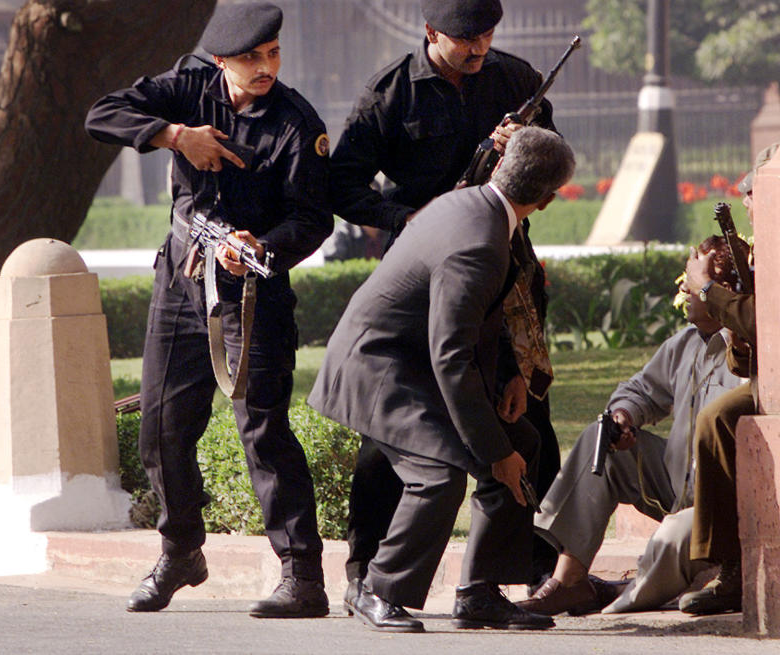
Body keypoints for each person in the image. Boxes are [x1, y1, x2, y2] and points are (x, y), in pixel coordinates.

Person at [84, 2, 333, 618]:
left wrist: (262, 247)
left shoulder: (297, 123)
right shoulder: (189, 88)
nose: (265, 67)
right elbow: (101, 115)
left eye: (273, 53)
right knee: (162, 428)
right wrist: (175, 136)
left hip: (253, 295)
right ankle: (181, 552)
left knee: (263, 431)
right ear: (222, 61)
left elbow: (313, 218)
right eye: (252, 58)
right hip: (181, 283)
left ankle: (302, 576)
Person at [328, 0, 562, 607]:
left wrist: (525, 146)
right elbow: (342, 185)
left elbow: (551, 159)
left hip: (503, 256)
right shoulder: (390, 95)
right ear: (431, 33)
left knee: (526, 406)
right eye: (466, 39)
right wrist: (413, 218)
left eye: (487, 35)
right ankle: (365, 568)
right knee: (396, 430)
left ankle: (538, 567)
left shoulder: (515, 79)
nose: (479, 48)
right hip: (421, 262)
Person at [309, 126, 574, 632]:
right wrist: (493, 453)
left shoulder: (477, 206)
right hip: (377, 369)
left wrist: (511, 375)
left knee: (524, 442)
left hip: (413, 363)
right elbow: (451, 356)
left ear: (501, 167)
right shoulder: (478, 241)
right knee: (439, 473)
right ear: (546, 199)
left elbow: (475, 314)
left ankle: (480, 592)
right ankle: (377, 589)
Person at [516, 236, 747, 616]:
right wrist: (622, 417)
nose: (684, 287)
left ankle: (630, 596)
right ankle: (569, 581)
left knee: (671, 541)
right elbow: (640, 391)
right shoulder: (684, 344)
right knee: (599, 436)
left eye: (694, 279)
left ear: (723, 291)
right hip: (675, 488)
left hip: (718, 509)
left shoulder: (747, 352)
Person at [677, 142, 776, 615]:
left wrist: (706, 289)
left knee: (719, 415)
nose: (748, 205)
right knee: (717, 419)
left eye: (754, 194)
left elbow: (764, 321)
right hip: (772, 384)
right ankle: (729, 568)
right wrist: (735, 330)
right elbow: (749, 355)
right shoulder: (763, 252)